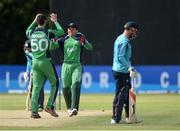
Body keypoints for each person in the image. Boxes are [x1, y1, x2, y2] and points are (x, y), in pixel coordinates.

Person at [26, 13, 64, 118]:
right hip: (46, 61)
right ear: (45, 22)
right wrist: (55, 21)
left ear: (37, 22)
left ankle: (34, 111)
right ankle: (49, 106)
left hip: (35, 62)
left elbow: (27, 30)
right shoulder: (48, 32)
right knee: (55, 83)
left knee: (37, 87)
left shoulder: (31, 32)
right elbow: (61, 32)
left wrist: (34, 20)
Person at [57, 22, 93, 117]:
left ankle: (75, 108)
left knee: (76, 84)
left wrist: (84, 42)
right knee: (65, 87)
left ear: (76, 30)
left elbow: (90, 47)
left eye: (73, 28)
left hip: (77, 65)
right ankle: (69, 109)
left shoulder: (80, 38)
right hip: (65, 65)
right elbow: (53, 47)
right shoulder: (64, 39)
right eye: (69, 28)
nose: (70, 30)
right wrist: (53, 41)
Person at [111, 21, 139, 124]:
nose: (134, 33)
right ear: (130, 29)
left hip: (120, 70)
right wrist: (129, 67)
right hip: (121, 71)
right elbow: (120, 57)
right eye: (134, 31)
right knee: (120, 94)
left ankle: (129, 117)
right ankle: (115, 118)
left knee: (126, 94)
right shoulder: (124, 41)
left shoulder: (120, 38)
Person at [23, 40, 44, 112]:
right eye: (26, 48)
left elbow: (38, 62)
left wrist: (34, 70)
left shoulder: (36, 53)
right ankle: (34, 105)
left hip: (40, 70)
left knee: (39, 87)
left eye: (28, 48)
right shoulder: (27, 52)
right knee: (31, 88)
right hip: (33, 71)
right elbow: (29, 62)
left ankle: (40, 106)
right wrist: (27, 71)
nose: (27, 50)